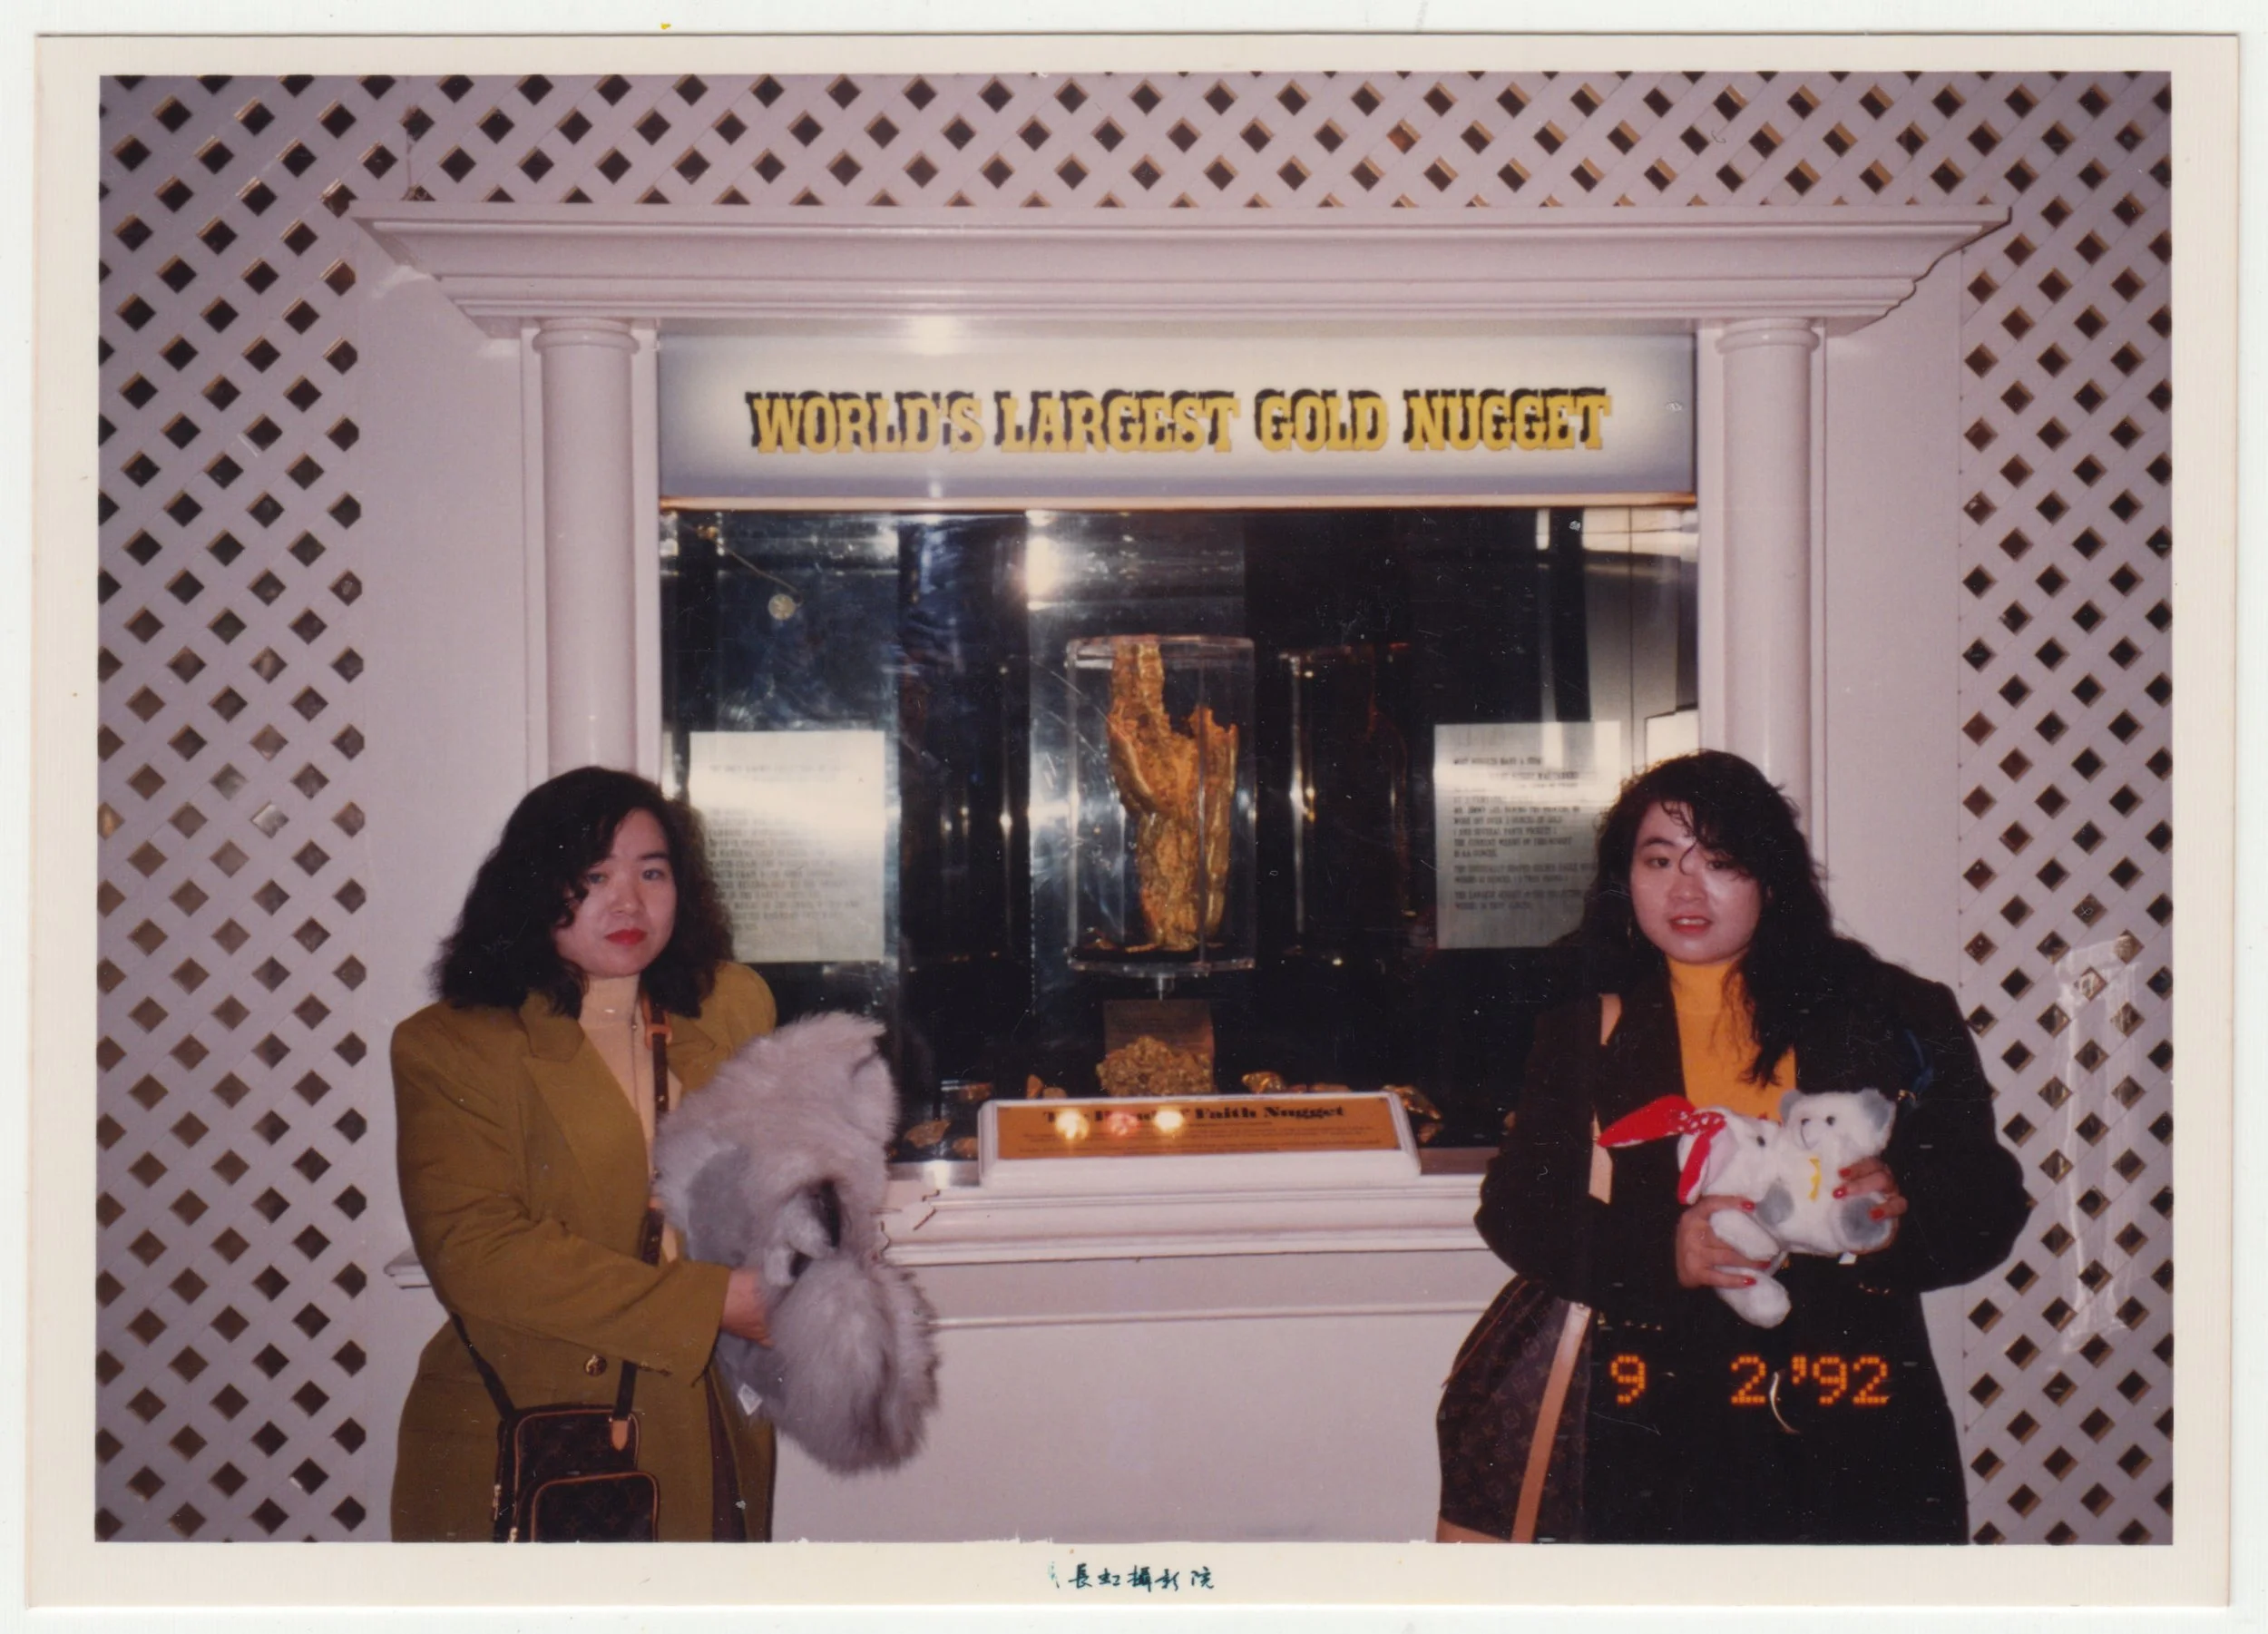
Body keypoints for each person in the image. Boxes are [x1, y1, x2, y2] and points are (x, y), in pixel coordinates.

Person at [1462, 750, 2028, 1543]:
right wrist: (1664, 1250)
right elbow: (1517, 1207)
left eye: (1722, 862)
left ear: (1773, 877)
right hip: (1658, 1429)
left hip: (1856, 1421)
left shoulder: (1895, 1012)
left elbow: (1990, 1200)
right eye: (1659, 860)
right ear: (1625, 879)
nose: (1686, 890)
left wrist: (1901, 1216)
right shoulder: (1587, 1026)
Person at [390, 768, 778, 1541]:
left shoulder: (731, 1004)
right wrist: (715, 1303)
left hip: (706, 1425)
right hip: (537, 1430)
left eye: (652, 871)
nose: (629, 901)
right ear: (534, 887)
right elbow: (477, 1252)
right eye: (594, 876)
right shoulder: (451, 1044)